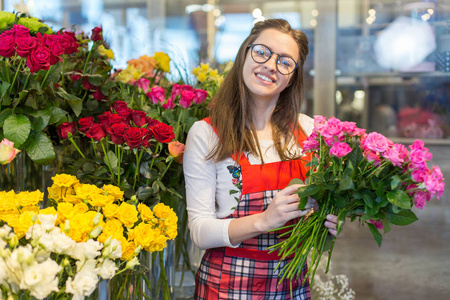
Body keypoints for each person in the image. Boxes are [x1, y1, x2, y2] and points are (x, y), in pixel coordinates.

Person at [183, 19, 341, 299]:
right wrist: (265, 219)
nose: (270, 65)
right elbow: (200, 231)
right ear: (245, 53)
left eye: (285, 62)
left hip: (290, 287)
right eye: (262, 52)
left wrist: (325, 225)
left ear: (292, 76)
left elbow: (317, 211)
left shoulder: (309, 131)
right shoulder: (207, 133)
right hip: (225, 287)